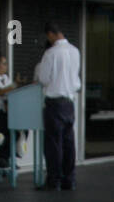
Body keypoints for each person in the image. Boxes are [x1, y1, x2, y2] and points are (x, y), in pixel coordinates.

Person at [34, 21, 81, 190]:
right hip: (69, 102)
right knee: (69, 143)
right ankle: (70, 179)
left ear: (51, 34)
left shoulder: (51, 53)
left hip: (54, 103)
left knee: (54, 143)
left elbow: (44, 79)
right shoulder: (75, 51)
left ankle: (54, 181)